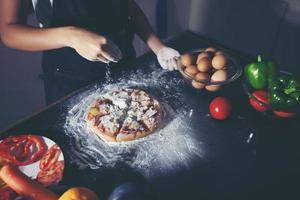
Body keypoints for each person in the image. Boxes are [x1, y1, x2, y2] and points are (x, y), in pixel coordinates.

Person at [0, 0, 180, 104]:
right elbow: (9, 32)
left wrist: (158, 46)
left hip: (124, 64)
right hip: (69, 79)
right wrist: (71, 36)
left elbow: (127, 5)